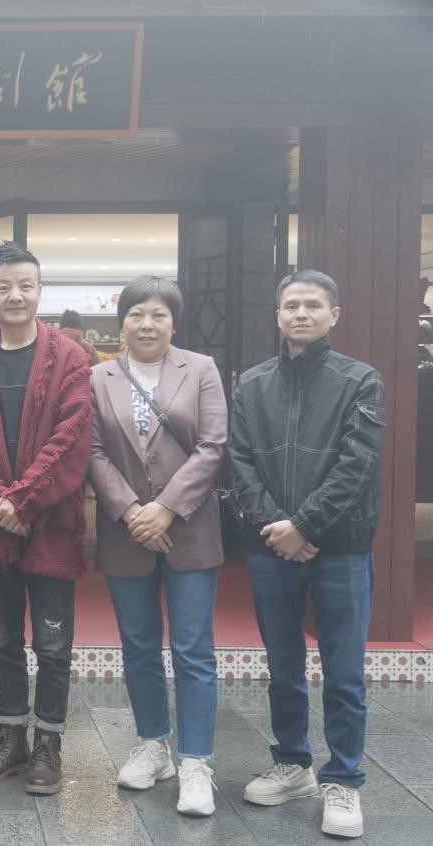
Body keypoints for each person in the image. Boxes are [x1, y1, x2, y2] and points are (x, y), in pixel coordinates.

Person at [231, 269, 384, 839]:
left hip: (341, 546)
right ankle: (292, 763)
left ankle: (343, 778)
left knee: (344, 671)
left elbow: (358, 464)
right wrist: (279, 528)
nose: (301, 313)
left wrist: (305, 525)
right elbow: (239, 464)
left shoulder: (360, 380)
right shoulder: (251, 384)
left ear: (333, 314)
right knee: (284, 667)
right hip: (272, 545)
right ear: (277, 314)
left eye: (313, 305)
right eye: (291, 304)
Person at [0, 242, 92, 795]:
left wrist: (24, 500)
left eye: (25, 285)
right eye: (4, 286)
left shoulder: (71, 358)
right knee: (1, 639)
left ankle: (48, 744)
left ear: (39, 291)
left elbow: (72, 437)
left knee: (53, 645)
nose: (15, 295)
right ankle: (10, 738)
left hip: (49, 523)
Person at [87, 275, 227, 816]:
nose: (147, 325)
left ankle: (195, 761)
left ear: (174, 321)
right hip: (127, 532)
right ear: (121, 322)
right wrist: (131, 511)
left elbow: (213, 446)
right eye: (137, 314)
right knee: (138, 645)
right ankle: (153, 745)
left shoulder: (202, 369)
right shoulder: (98, 376)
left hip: (189, 528)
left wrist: (165, 507)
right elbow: (92, 452)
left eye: (159, 315)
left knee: (193, 649)